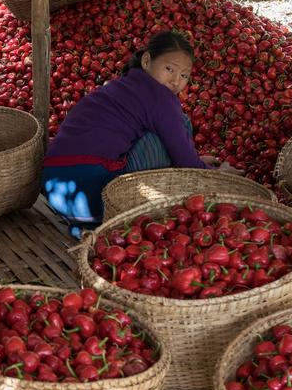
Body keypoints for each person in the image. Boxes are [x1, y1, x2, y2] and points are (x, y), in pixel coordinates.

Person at [42, 30, 224, 237]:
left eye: (184, 75)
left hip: (57, 192)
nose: (176, 81)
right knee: (178, 124)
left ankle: (87, 226)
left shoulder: (121, 86)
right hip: (96, 196)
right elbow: (184, 160)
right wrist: (214, 173)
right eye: (169, 69)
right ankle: (104, 221)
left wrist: (196, 160)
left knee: (160, 129)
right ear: (146, 60)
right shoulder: (162, 98)